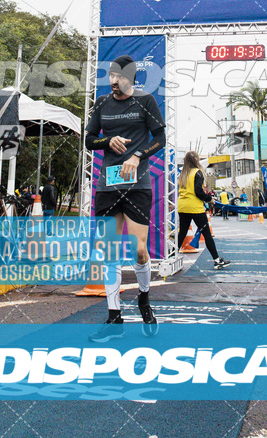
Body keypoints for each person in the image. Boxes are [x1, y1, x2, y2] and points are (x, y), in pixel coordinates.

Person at [85, 55, 166, 342]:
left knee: (139, 252)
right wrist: (107, 141)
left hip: (137, 184)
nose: (113, 81)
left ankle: (144, 300)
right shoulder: (102, 104)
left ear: (130, 79)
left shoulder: (145, 102)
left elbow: (160, 137)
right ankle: (114, 316)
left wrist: (137, 155)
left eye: (118, 77)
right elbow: (89, 139)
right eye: (111, 76)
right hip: (108, 185)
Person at [177, 152, 230, 269]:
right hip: (195, 207)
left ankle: (171, 257)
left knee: (182, 233)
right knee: (206, 234)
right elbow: (198, 192)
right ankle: (217, 260)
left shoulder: (182, 174)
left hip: (183, 206)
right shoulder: (198, 172)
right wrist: (209, 199)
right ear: (196, 160)